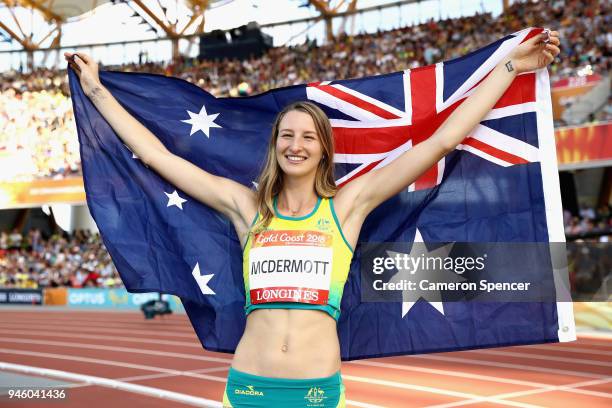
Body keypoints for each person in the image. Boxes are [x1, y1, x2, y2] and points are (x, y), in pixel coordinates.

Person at [64, 29, 560, 407]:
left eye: (308, 137)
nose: (295, 145)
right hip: (246, 390)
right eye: (286, 136)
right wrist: (98, 92)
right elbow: (158, 157)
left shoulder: (348, 206)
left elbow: (440, 143)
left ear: (324, 150)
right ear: (275, 145)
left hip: (317, 393)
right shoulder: (247, 207)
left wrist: (511, 68)